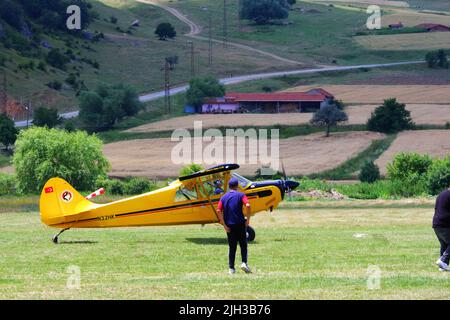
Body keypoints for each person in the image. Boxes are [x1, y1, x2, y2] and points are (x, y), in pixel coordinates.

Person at [217, 177, 252, 274]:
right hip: (240, 224)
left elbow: (218, 210)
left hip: (229, 225)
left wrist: (224, 225)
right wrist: (248, 220)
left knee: (232, 246)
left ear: (229, 186)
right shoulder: (241, 195)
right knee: (243, 245)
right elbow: (248, 205)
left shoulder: (223, 197)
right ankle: (244, 263)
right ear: (237, 186)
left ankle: (231, 268)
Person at [433, 187, 450, 271]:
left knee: (445, 243)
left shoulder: (442, 193)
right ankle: (443, 260)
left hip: (436, 224)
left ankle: (443, 265)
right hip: (445, 224)